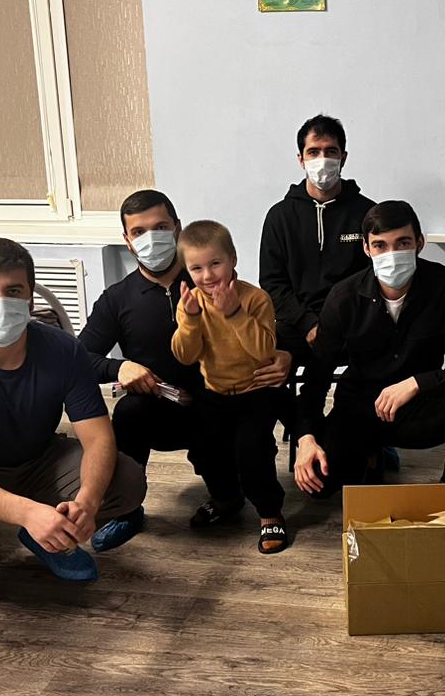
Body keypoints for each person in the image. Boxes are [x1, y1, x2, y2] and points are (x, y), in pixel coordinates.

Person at [0, 238, 147, 627]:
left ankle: (47, 537)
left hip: (39, 461)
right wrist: (28, 512)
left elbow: (99, 438)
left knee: (126, 481)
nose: (1, 303)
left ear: (31, 298)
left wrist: (86, 502)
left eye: (14, 291)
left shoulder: (63, 350)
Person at [77, 190, 290, 550]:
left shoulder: (213, 280)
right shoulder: (117, 299)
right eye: (139, 231)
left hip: (223, 398)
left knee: (246, 447)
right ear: (127, 240)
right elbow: (80, 357)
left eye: (160, 227)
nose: (151, 238)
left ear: (177, 229)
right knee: (128, 414)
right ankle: (127, 510)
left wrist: (286, 356)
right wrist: (120, 366)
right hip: (164, 405)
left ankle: (243, 502)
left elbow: (267, 334)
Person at [293, 200, 445, 496]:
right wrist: (306, 437)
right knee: (317, 484)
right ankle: (370, 454)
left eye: (402, 243)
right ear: (366, 249)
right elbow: (317, 377)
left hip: (421, 407)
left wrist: (418, 383)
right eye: (380, 245)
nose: (391, 254)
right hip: (360, 409)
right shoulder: (343, 297)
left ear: (419, 243)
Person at [170, 220, 289, 554]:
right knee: (205, 452)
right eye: (197, 268)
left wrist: (234, 312)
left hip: (255, 393)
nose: (208, 275)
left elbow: (264, 351)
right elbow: (184, 355)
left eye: (215, 263)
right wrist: (191, 320)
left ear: (233, 259)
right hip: (213, 394)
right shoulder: (190, 303)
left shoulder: (255, 298)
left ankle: (269, 511)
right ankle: (226, 499)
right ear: (187, 270)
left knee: (252, 453)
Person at [260, 114, 375, 364]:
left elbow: (374, 277)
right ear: (301, 159)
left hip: (353, 326)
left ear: (343, 157)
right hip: (296, 326)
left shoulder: (368, 213)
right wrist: (308, 324)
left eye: (330, 151)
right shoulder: (279, 217)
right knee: (264, 360)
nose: (322, 160)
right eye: (313, 152)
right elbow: (272, 283)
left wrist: (338, 324)